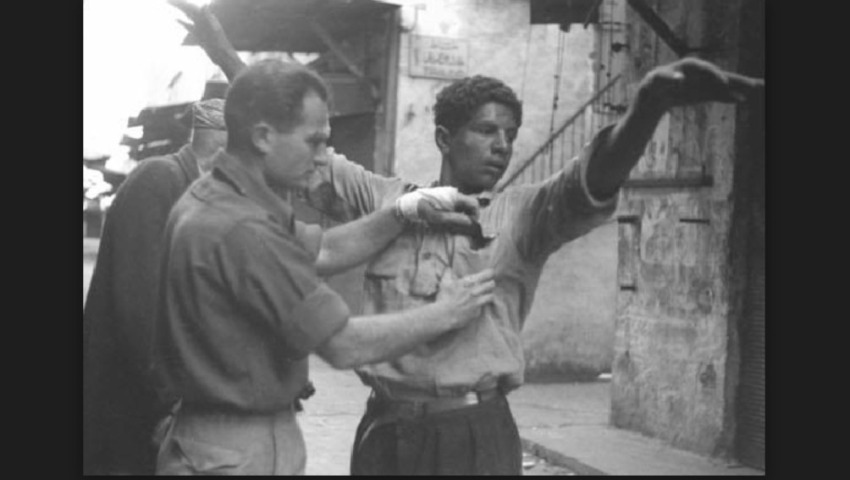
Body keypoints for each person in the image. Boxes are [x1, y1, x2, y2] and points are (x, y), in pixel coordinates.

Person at [169, 3, 764, 475]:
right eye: (485, 131)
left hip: (474, 437)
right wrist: (227, 54)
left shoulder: (525, 213)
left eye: (509, 133)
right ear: (445, 138)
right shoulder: (386, 200)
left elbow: (593, 177)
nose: (502, 145)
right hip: (386, 433)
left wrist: (647, 106)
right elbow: (295, 138)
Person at [150, 59, 498, 476]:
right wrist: (445, 312)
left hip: (209, 437)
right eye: (313, 142)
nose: (322, 158)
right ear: (263, 136)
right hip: (235, 449)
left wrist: (404, 211)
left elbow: (325, 251)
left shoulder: (216, 198)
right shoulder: (244, 228)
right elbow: (343, 344)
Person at [83, 98, 228, 475]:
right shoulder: (157, 180)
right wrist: (176, 401)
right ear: (225, 149)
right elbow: (140, 308)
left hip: (162, 401)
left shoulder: (206, 194)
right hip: (129, 402)